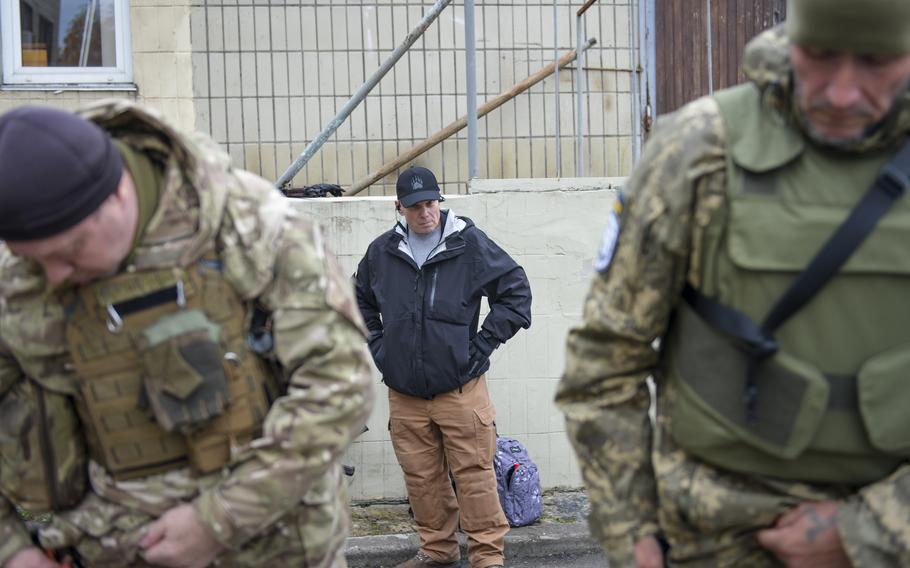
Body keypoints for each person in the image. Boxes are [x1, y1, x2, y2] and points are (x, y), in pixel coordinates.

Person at [556, 0, 910, 566]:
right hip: (714, 539)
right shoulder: (697, 150)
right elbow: (605, 359)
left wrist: (867, 531)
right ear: (793, 40)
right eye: (820, 56)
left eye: (875, 62)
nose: (842, 93)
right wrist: (632, 536)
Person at [0, 101, 374, 568]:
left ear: (117, 193)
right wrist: (13, 550)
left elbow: (339, 387)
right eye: (35, 260)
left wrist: (218, 521)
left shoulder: (252, 228)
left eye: (70, 251)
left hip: (274, 550)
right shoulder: (22, 280)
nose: (53, 276)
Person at [354, 166, 532, 568]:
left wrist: (482, 344)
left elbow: (516, 293)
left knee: (474, 474)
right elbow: (358, 300)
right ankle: (437, 550)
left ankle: (487, 557)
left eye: (431, 203)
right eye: (415, 206)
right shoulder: (382, 252)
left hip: (460, 389)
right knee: (421, 478)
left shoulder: (467, 245)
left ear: (440, 201)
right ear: (398, 207)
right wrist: (380, 348)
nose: (425, 213)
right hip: (406, 393)